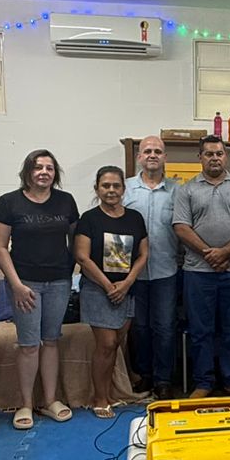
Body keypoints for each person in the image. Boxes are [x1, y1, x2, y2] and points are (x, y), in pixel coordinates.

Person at [0, 149, 79, 430]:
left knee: (51, 340)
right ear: (28, 171)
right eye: (38, 167)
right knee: (29, 344)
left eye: (49, 168)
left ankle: (51, 401)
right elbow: (0, 247)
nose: (44, 172)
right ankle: (26, 404)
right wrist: (16, 285)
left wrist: (70, 273)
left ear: (55, 173)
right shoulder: (9, 202)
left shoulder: (66, 201)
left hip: (59, 282)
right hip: (24, 283)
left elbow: (76, 241)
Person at [172, 136, 230, 398]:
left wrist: (225, 251)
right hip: (198, 272)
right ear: (200, 157)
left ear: (225, 157)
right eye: (209, 154)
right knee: (201, 330)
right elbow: (181, 227)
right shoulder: (186, 190)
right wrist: (209, 254)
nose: (214, 158)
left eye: (219, 153)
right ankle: (203, 382)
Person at [75, 166, 150, 418]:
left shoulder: (135, 218)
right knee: (106, 344)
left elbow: (143, 254)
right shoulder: (89, 218)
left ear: (123, 189)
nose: (111, 190)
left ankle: (111, 393)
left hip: (126, 290)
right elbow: (82, 257)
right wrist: (108, 286)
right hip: (98, 290)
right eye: (105, 185)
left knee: (117, 343)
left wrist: (126, 283)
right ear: (97, 189)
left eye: (116, 185)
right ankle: (99, 398)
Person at [123, 135, 181, 399]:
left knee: (165, 327)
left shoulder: (178, 191)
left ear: (165, 157)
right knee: (139, 328)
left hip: (166, 270)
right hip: (132, 273)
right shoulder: (125, 189)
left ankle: (163, 379)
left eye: (158, 151)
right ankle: (144, 375)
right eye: (147, 151)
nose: (152, 155)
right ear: (139, 157)